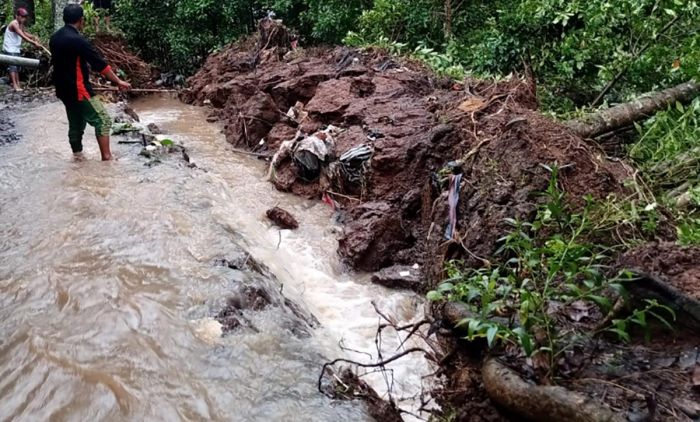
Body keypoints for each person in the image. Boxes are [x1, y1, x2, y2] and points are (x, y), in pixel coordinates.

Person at [50, 4, 131, 161]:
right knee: (103, 120)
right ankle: (107, 159)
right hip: (78, 89)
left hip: (62, 90)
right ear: (81, 20)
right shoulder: (78, 40)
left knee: (76, 123)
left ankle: (77, 157)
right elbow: (100, 65)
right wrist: (119, 81)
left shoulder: (55, 38)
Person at [2, 7, 44, 92]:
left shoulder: (20, 24)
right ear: (17, 16)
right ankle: (15, 85)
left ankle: (18, 84)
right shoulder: (14, 24)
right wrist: (34, 43)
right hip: (10, 48)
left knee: (17, 67)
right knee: (13, 67)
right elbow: (22, 36)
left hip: (16, 48)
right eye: (21, 16)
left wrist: (33, 36)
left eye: (24, 17)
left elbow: (24, 33)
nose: (23, 19)